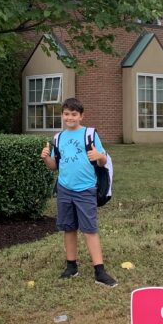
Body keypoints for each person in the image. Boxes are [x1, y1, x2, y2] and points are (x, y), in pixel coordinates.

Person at [40, 97, 117, 288]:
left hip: (85, 189)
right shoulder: (58, 138)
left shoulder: (89, 134)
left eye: (74, 114)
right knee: (68, 228)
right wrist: (45, 159)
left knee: (89, 229)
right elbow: (54, 166)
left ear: (81, 116)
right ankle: (71, 266)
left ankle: (99, 271)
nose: (70, 118)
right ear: (62, 116)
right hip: (65, 189)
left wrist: (99, 156)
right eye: (66, 114)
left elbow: (102, 160)